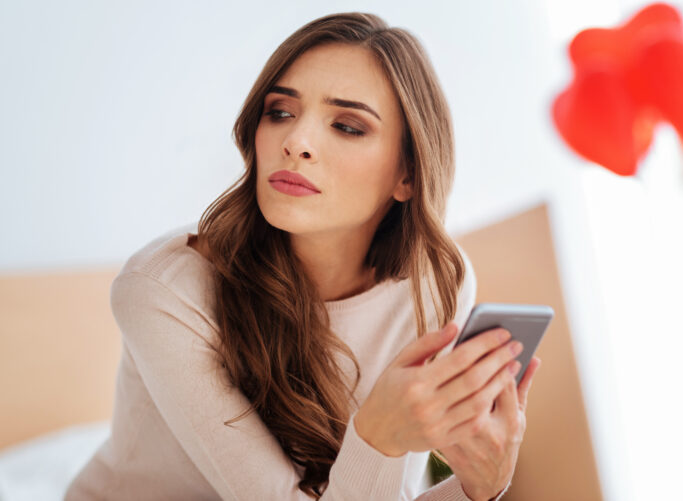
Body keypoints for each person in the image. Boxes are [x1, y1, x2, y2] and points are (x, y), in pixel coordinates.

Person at [64, 11, 541, 501]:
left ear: (407, 175)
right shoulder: (166, 291)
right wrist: (376, 439)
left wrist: (481, 487)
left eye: (348, 126)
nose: (295, 143)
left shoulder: (437, 283)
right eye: (281, 112)